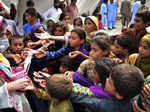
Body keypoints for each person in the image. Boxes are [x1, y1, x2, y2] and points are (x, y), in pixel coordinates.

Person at [70, 64, 144, 112]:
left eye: (110, 82)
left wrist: (66, 87)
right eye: (108, 77)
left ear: (119, 95)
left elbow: (82, 98)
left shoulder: (107, 106)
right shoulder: (134, 92)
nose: (106, 80)